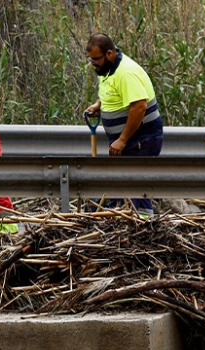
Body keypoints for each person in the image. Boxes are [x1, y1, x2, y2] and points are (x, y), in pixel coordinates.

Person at [84, 33, 164, 216]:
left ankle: (136, 224)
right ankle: (140, 222)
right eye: (91, 59)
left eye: (96, 59)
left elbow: (139, 106)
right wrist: (98, 105)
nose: (93, 63)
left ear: (109, 54)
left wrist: (122, 139)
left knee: (130, 191)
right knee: (131, 190)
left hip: (140, 140)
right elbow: (113, 92)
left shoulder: (126, 72)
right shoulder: (107, 69)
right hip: (130, 141)